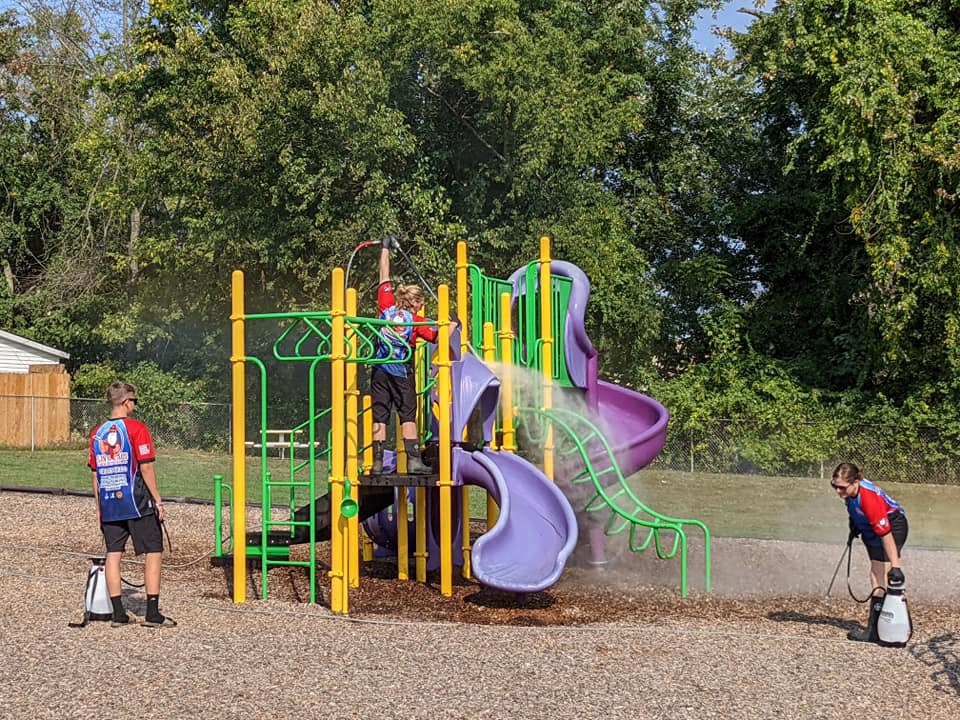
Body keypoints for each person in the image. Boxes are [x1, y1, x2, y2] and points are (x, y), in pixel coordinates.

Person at [88, 382, 176, 627]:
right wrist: (158, 500)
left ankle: (118, 613)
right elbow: (145, 467)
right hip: (137, 501)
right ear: (127, 402)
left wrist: (99, 508)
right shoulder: (137, 428)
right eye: (134, 401)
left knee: (113, 554)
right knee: (153, 550)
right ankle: (152, 613)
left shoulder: (97, 432)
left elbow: (95, 474)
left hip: (109, 503)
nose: (135, 406)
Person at [370, 236, 438, 475]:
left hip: (379, 369)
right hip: (401, 372)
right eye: (422, 303)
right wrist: (451, 325)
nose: (422, 307)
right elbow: (438, 336)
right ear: (416, 302)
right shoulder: (417, 322)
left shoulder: (386, 306)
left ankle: (377, 463)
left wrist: (385, 249)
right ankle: (413, 461)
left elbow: (384, 276)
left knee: (380, 414)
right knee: (407, 414)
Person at [831, 462, 907, 642]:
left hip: (893, 526)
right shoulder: (850, 493)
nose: (838, 492)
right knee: (875, 576)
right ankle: (875, 629)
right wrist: (855, 524)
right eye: (834, 486)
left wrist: (896, 567)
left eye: (842, 487)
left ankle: (893, 627)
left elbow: (886, 534)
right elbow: (855, 509)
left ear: (855, 481)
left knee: (887, 575)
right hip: (870, 530)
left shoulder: (869, 497)